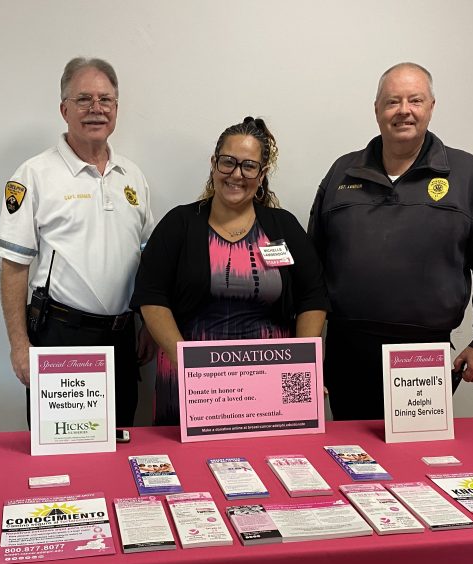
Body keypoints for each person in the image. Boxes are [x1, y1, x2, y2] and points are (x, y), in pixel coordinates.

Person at [309, 62, 473, 420]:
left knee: (417, 456)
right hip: (347, 349)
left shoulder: (466, 175)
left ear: (431, 107)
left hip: (423, 352)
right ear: (376, 110)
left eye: (415, 100)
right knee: (352, 458)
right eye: (392, 102)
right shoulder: (342, 172)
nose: (404, 110)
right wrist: (306, 352)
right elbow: (313, 264)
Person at [131, 117, 329, 425]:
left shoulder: (282, 227)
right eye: (228, 162)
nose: (237, 174)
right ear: (213, 164)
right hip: (191, 383)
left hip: (270, 386)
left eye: (249, 166)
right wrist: (186, 363)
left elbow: (313, 296)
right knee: (187, 468)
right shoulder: (179, 225)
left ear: (261, 174)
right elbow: (152, 296)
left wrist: (304, 366)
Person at [0, 57, 155, 427]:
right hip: (61, 335)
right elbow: (13, 266)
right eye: (84, 99)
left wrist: (146, 323)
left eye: (106, 100)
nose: (95, 109)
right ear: (64, 109)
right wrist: (20, 347)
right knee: (64, 449)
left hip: (122, 336)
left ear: (117, 108)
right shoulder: (34, 175)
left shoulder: (132, 175)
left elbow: (148, 256)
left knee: (120, 440)